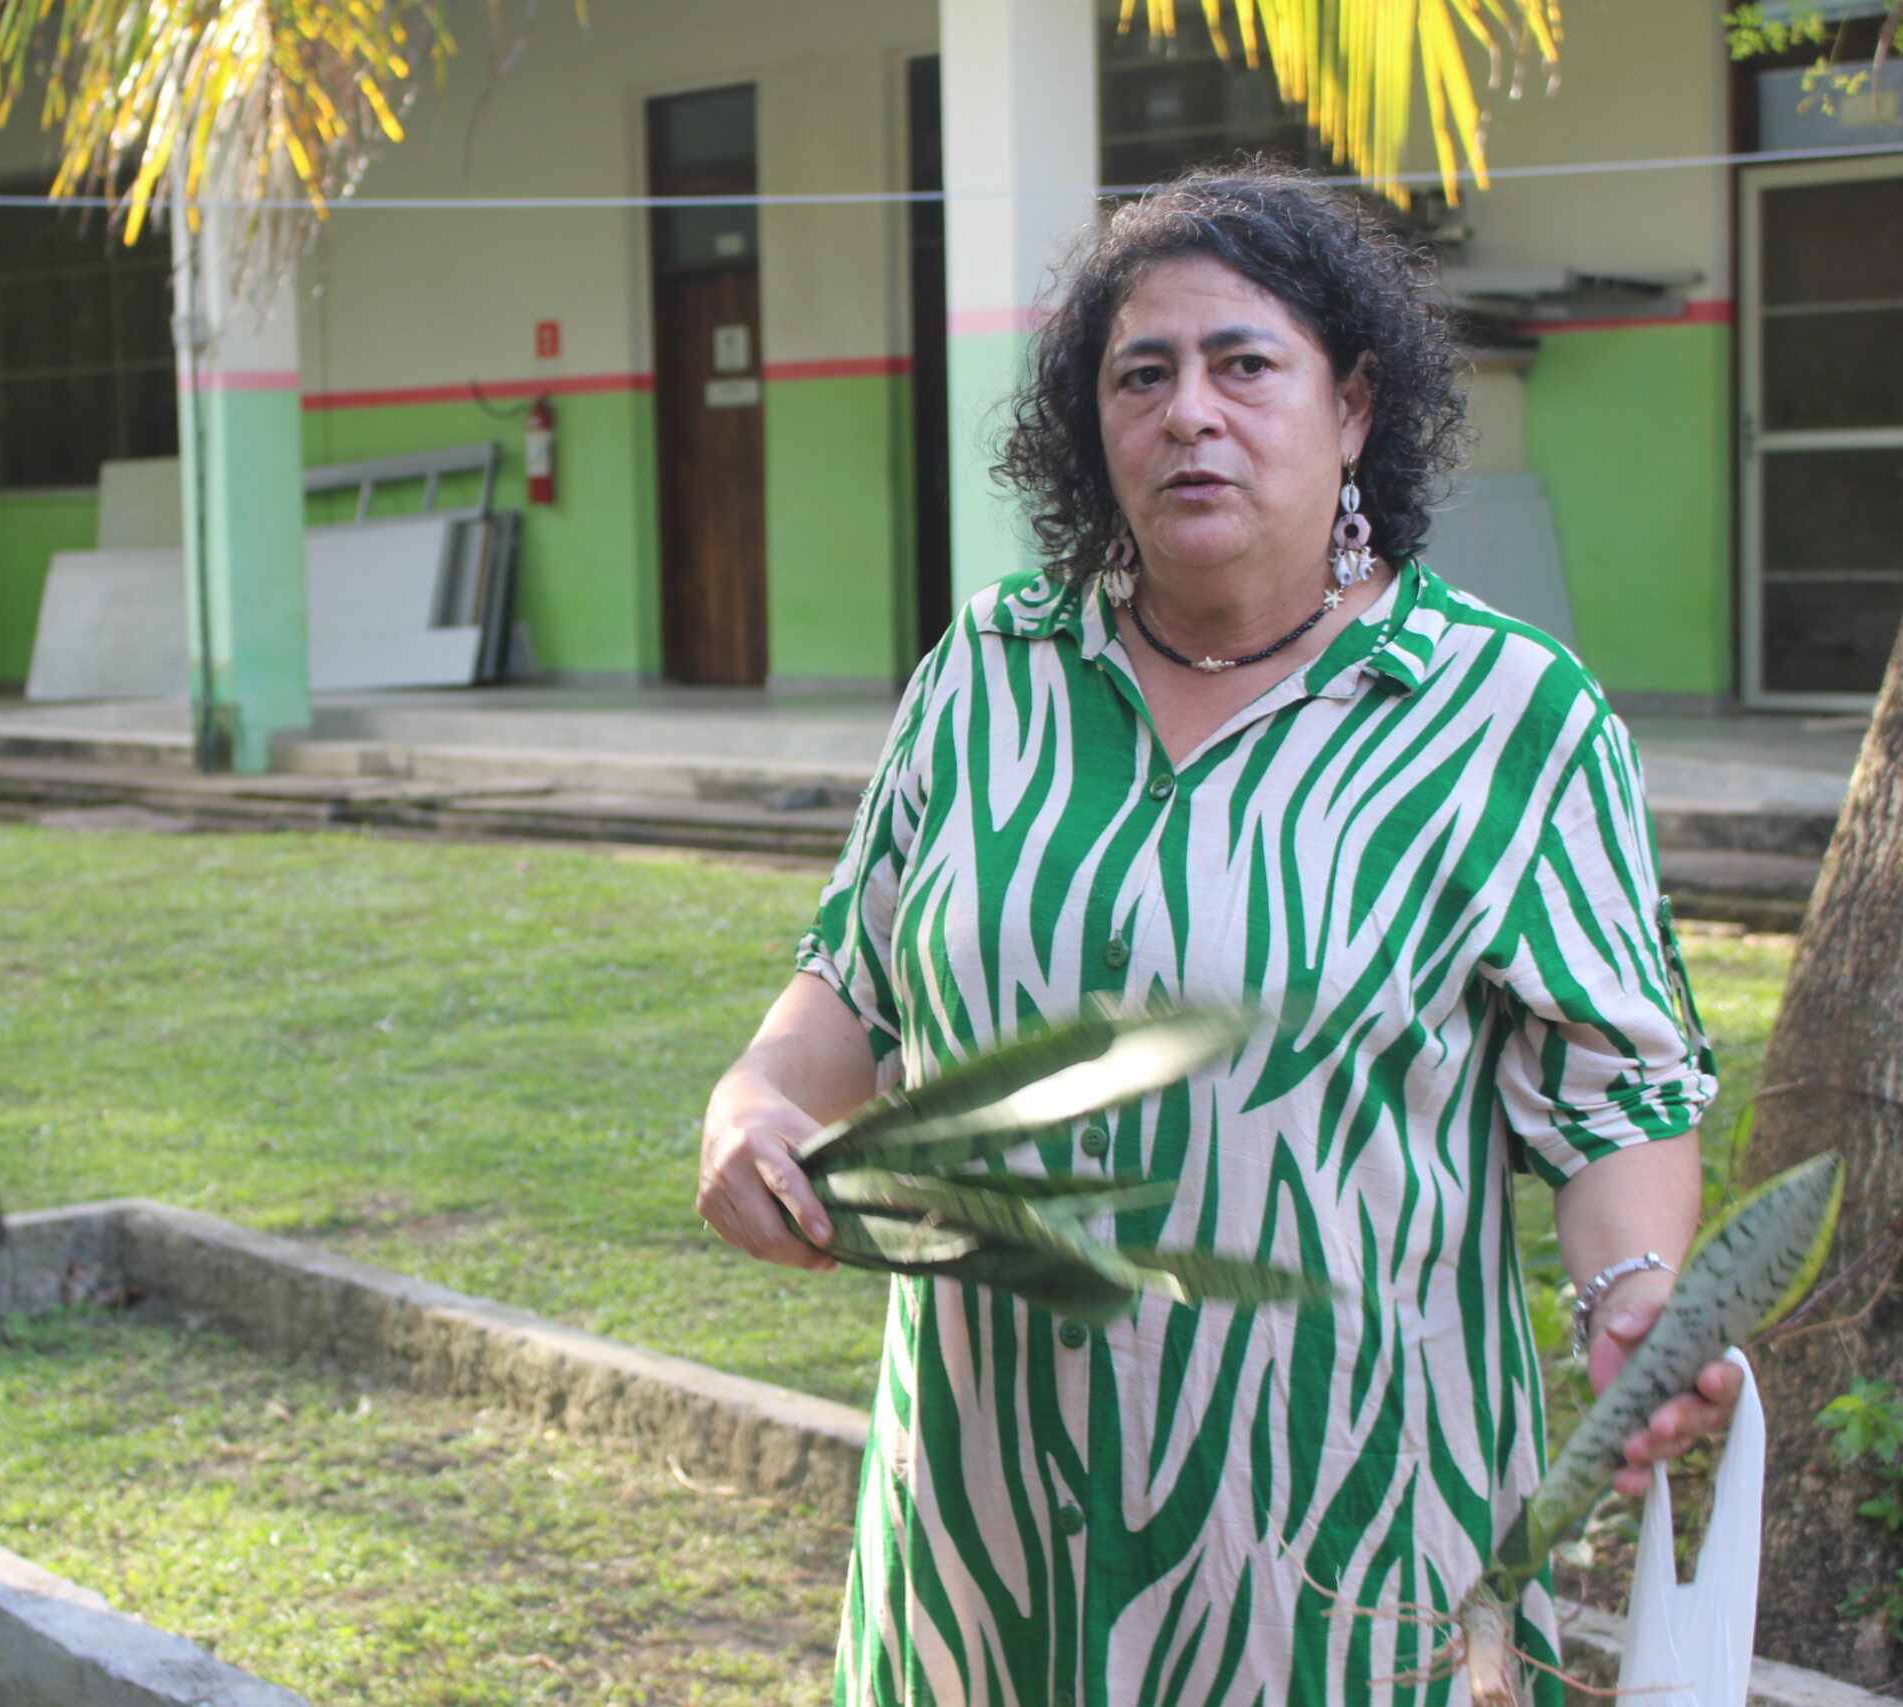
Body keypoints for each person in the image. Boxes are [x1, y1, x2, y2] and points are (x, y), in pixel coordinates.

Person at [697, 168, 1739, 1707]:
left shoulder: (1505, 716)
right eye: (1143, 374)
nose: (1191, 412)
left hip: (1346, 1544)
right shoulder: (989, 674)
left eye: (1245, 364)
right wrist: (754, 1099)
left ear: (1354, 406)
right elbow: (852, 984)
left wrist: (1632, 1292)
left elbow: (1621, 1097)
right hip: (989, 1527)